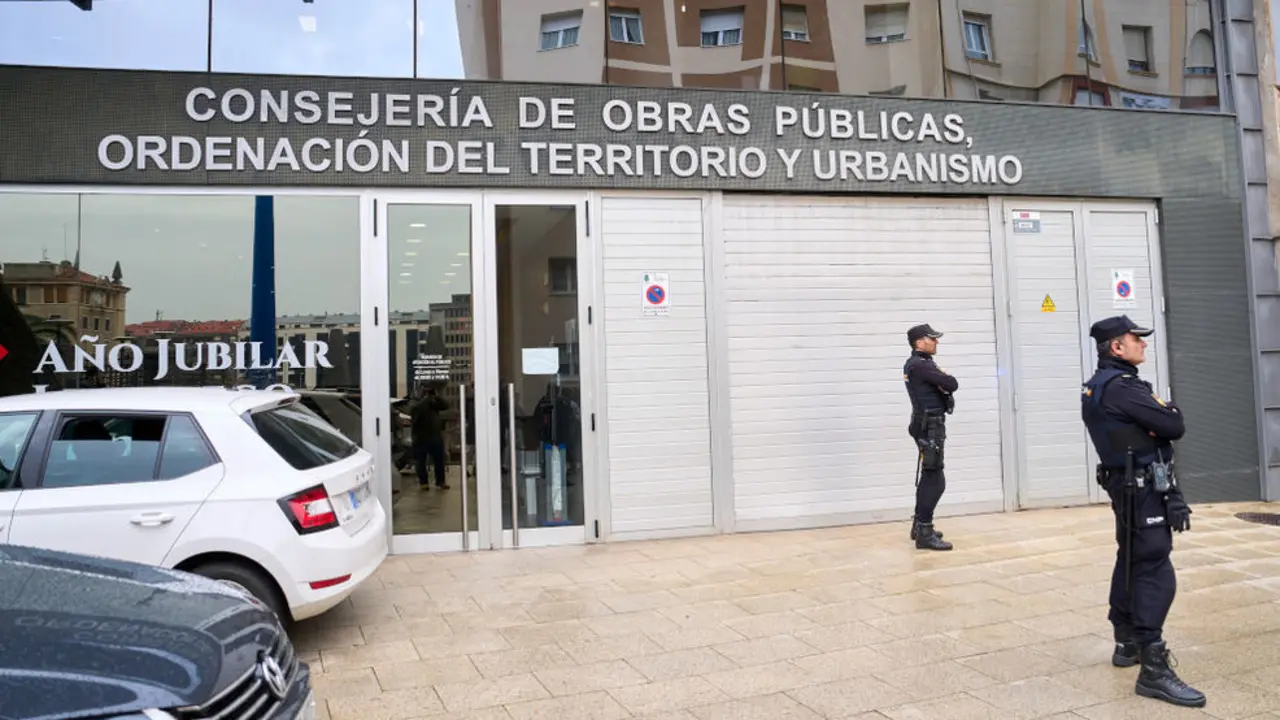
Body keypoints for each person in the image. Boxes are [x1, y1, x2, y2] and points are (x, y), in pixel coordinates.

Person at [1081, 315, 1203, 708]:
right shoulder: (1122, 388)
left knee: (1131, 557)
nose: (1144, 345)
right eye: (1137, 340)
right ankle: (1153, 667)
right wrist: (1168, 413)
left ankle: (1126, 640)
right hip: (1141, 489)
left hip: (1130, 486)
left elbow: (1160, 426)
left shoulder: (1101, 386)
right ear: (1116, 347)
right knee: (1153, 565)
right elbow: (1173, 424)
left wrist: (1160, 421)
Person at [903, 323, 957, 551]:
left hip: (927, 424)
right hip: (929, 427)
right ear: (919, 342)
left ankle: (919, 525)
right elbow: (951, 383)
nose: (936, 342)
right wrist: (946, 381)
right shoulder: (920, 365)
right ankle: (924, 530)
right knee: (936, 480)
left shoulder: (920, 364)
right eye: (932, 339)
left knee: (929, 475)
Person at [410, 384, 450, 490]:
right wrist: (426, 399)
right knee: (421, 461)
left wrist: (436, 396)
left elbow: (445, 405)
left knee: (439, 459)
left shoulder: (432, 402)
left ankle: (440, 481)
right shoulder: (415, 402)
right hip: (420, 436)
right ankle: (424, 482)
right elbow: (414, 410)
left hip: (435, 435)